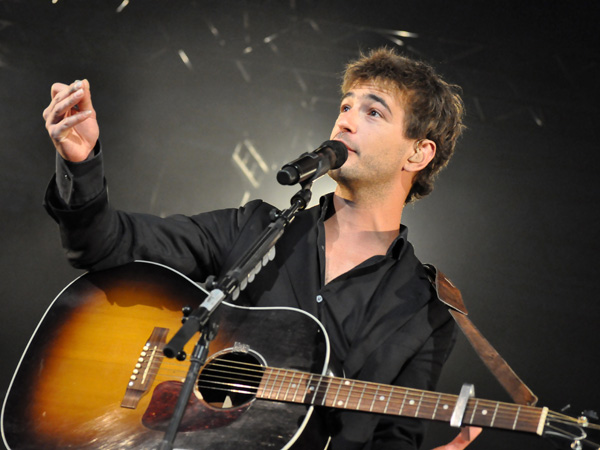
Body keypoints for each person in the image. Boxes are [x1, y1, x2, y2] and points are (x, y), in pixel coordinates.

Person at [42, 47, 481, 449]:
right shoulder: (255, 227)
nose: (345, 120)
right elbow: (106, 248)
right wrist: (81, 164)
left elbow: (394, 439)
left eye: (373, 113)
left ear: (418, 154)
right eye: (345, 106)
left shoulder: (427, 308)